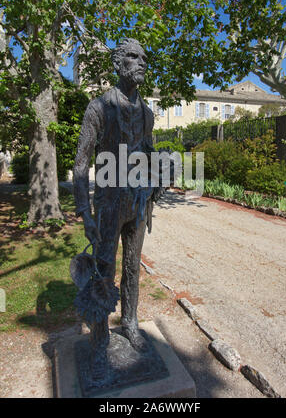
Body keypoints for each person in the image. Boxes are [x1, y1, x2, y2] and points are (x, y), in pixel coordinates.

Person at [73, 38, 160, 368]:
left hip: (137, 205)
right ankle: (99, 340)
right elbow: (81, 163)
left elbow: (149, 153)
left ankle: (131, 323)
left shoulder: (148, 114)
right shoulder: (99, 107)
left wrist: (159, 175)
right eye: (133, 56)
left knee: (134, 268)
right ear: (118, 63)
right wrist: (84, 213)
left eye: (144, 57)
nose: (141, 62)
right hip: (108, 205)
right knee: (103, 271)